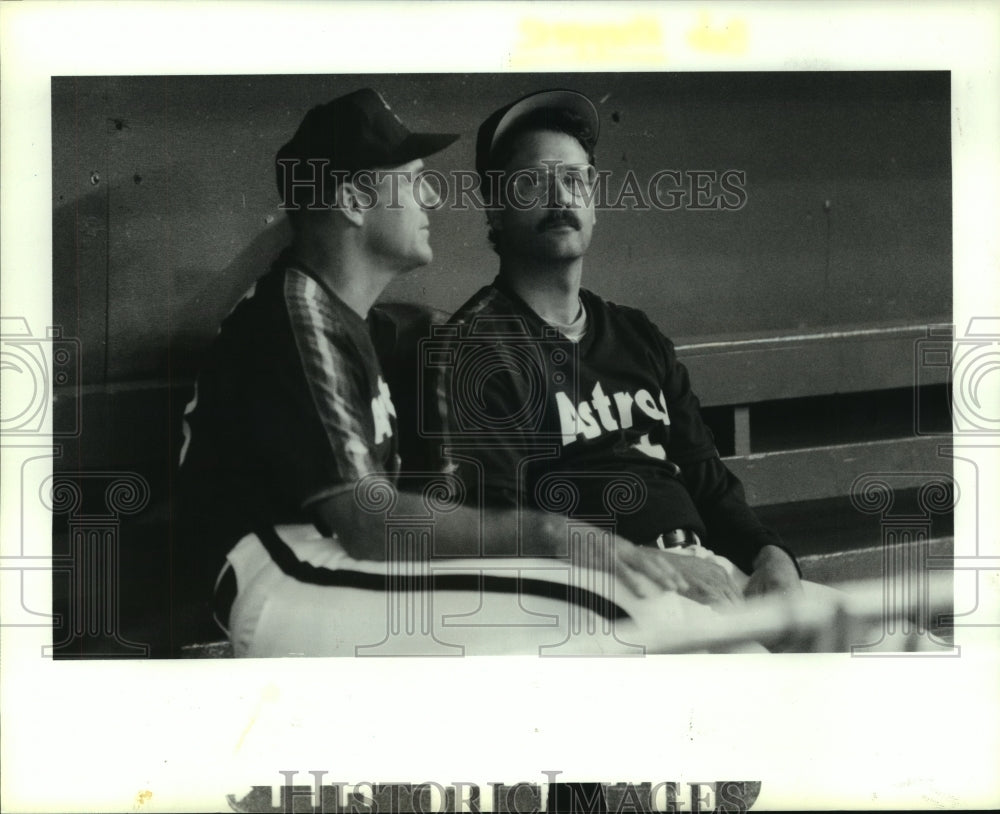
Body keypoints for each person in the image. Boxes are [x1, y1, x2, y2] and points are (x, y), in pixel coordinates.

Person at [175, 88, 684, 657]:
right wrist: (550, 532)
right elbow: (369, 524)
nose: (432, 199)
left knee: (608, 609)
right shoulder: (297, 314)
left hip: (321, 560)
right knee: (604, 619)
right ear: (354, 201)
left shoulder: (339, 316)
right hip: (275, 571)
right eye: (414, 181)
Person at [437, 89, 804, 616]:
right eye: (532, 181)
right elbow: (502, 527)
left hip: (708, 571)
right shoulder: (476, 348)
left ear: (594, 200)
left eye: (575, 178)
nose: (560, 195)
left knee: (885, 638)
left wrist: (772, 556)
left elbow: (709, 484)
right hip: (600, 595)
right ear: (495, 210)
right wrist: (645, 566)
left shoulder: (635, 334)